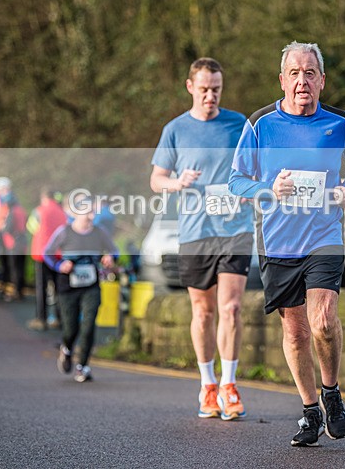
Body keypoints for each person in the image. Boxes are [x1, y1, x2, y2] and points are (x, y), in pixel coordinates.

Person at [229, 42, 345, 446]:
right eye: (294, 73)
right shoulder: (260, 124)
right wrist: (269, 189)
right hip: (278, 241)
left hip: (325, 236)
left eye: (310, 73)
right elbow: (237, 181)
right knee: (295, 332)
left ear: (322, 81)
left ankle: (332, 394)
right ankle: (310, 412)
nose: (302, 81)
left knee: (323, 320)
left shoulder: (341, 122)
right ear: (282, 80)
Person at [150, 57, 254, 420]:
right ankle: (207, 384)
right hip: (195, 232)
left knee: (231, 308)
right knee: (203, 310)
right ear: (190, 86)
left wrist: (249, 190)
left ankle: (229, 383)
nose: (211, 95)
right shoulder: (175, 129)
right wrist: (176, 183)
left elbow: (256, 168)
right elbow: (156, 179)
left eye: (217, 89)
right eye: (205, 89)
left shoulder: (238, 124)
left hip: (235, 229)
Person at [44, 194, 118, 383]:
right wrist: (60, 266)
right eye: (88, 211)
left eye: (93, 210)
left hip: (91, 286)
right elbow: (47, 253)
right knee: (71, 328)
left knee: (89, 324)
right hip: (68, 287)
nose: (92, 214)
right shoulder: (64, 232)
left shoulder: (100, 232)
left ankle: (82, 366)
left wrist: (110, 258)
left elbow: (114, 250)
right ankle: (67, 348)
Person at [26, 188, 67, 331]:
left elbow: (31, 227)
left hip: (42, 254)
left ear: (43, 197)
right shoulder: (62, 212)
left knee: (41, 287)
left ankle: (41, 319)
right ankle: (59, 318)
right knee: (58, 287)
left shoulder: (39, 211)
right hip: (58, 254)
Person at [0, 177, 28, 301]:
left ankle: (14, 291)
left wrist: (3, 228)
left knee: (13, 268)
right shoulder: (18, 208)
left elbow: (8, 227)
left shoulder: (12, 209)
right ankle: (17, 290)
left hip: (11, 241)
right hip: (18, 240)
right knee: (17, 267)